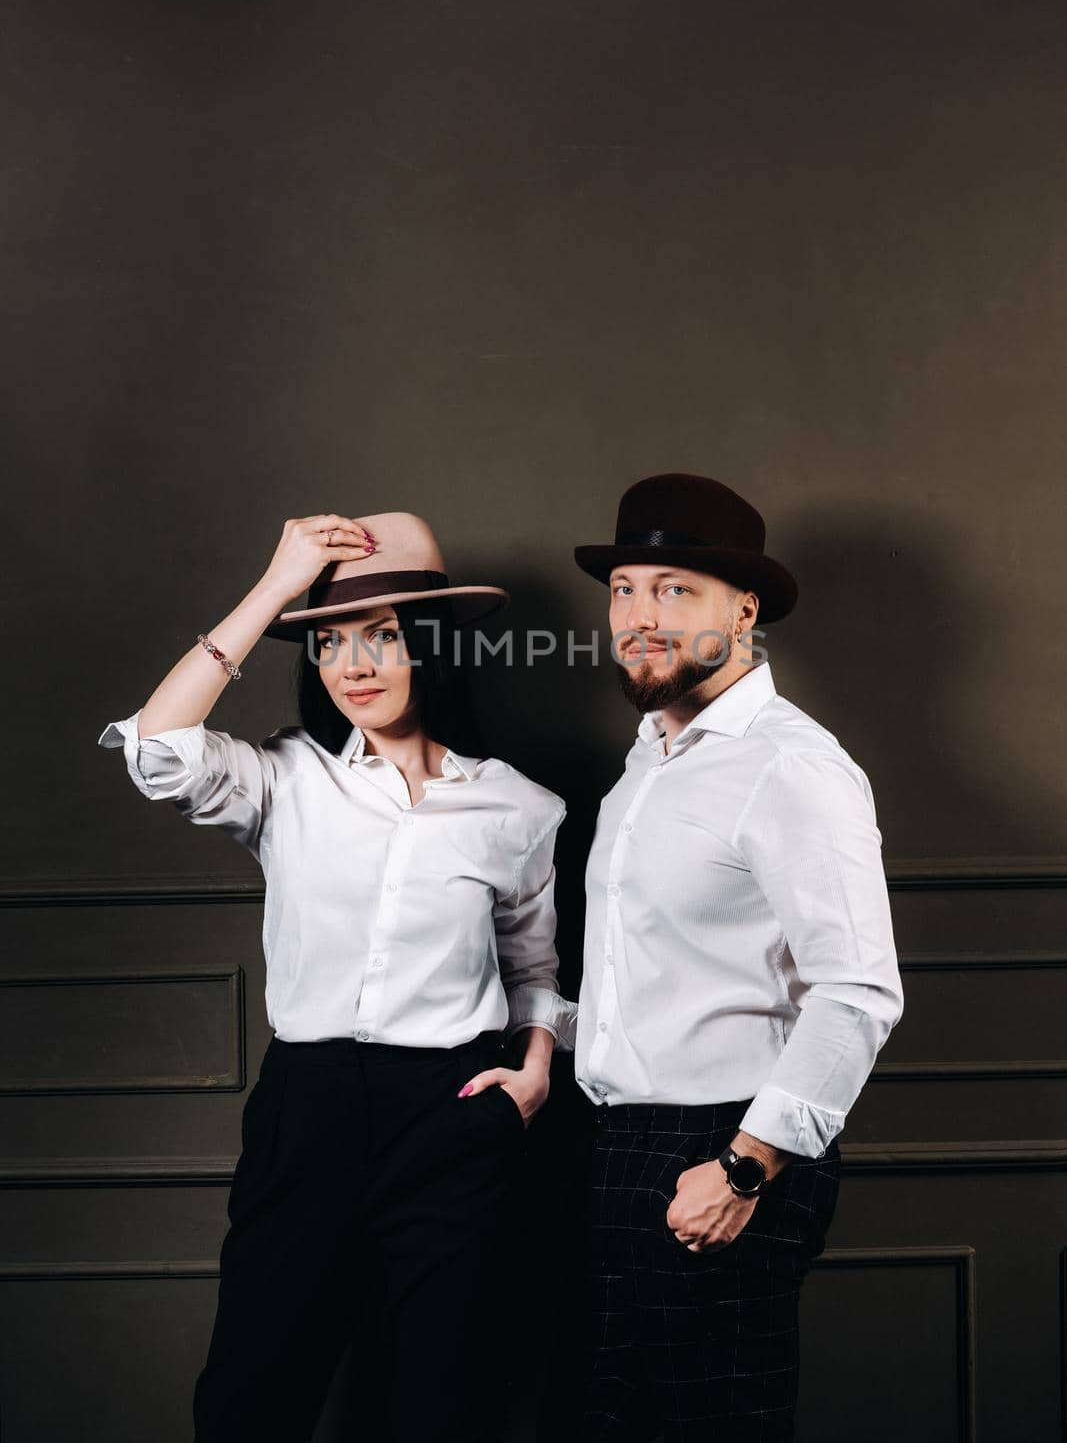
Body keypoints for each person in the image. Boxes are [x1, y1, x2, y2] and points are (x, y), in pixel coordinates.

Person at [98, 510, 578, 1443]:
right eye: (328, 641)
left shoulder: (519, 809)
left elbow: (533, 967)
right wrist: (277, 584)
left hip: (454, 1109)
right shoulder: (286, 778)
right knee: (251, 1393)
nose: (352, 665)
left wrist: (535, 1070)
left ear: (432, 646)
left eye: (383, 637)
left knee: (443, 1403)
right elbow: (157, 752)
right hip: (307, 1107)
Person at [570, 472, 904, 1442]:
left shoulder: (788, 765)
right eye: (624, 588)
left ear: (741, 609)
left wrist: (745, 1165)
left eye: (672, 589)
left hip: (723, 1145)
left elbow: (856, 990)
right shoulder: (650, 757)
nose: (638, 615)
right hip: (618, 1148)